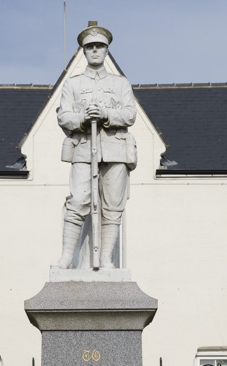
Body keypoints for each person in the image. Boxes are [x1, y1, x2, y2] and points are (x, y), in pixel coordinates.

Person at [56, 23, 136, 269]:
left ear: (106, 50)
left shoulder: (121, 83)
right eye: (90, 47)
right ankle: (67, 258)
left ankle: (105, 260)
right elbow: (63, 116)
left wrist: (105, 113)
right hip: (83, 148)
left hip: (115, 150)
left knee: (113, 206)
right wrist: (82, 118)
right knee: (78, 201)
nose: (94, 51)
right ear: (83, 51)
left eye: (99, 46)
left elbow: (130, 115)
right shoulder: (72, 84)